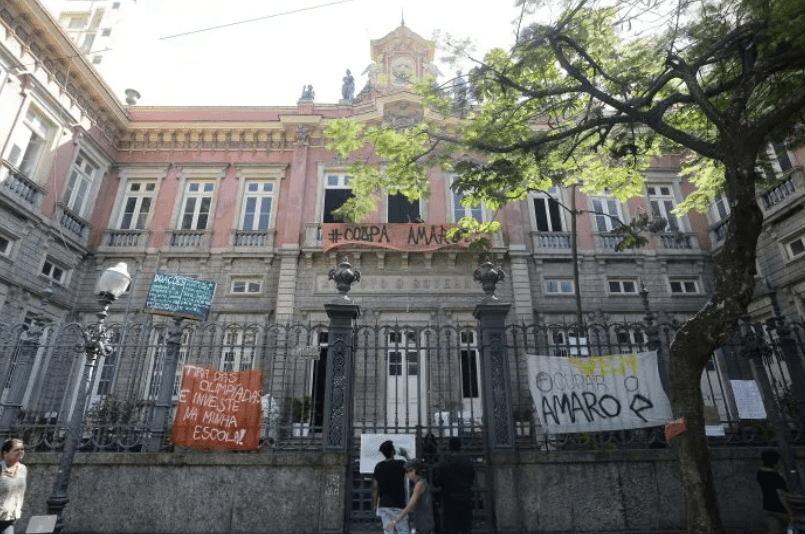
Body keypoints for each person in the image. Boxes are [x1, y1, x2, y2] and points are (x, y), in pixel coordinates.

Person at [434, 437, 475, 534]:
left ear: (450, 446)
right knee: (466, 528)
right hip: (465, 498)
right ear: (460, 446)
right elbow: (471, 479)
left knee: (451, 528)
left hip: (449, 499)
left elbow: (437, 481)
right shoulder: (467, 461)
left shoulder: (443, 463)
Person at [384, 460, 436, 534]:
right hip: (422, 524)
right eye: (406, 471)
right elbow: (412, 508)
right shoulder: (419, 483)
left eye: (410, 471)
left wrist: (395, 521)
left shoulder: (419, 485)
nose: (408, 474)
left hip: (425, 526)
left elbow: (410, 506)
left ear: (416, 471)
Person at [373, 440, 409, 534]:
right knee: (403, 531)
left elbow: (376, 488)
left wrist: (375, 504)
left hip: (384, 505)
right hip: (399, 505)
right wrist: (405, 455)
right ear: (393, 452)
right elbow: (414, 466)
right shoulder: (401, 464)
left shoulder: (379, 466)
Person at [757, 450, 794, 534]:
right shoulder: (776, 477)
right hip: (780, 509)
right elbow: (782, 495)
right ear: (775, 463)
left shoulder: (760, 473)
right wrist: (791, 513)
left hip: (768, 507)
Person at [0, 439, 26, 534]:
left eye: (22, 449)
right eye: (16, 450)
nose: (20, 452)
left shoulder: (22, 469)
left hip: (9, 518)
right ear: (5, 453)